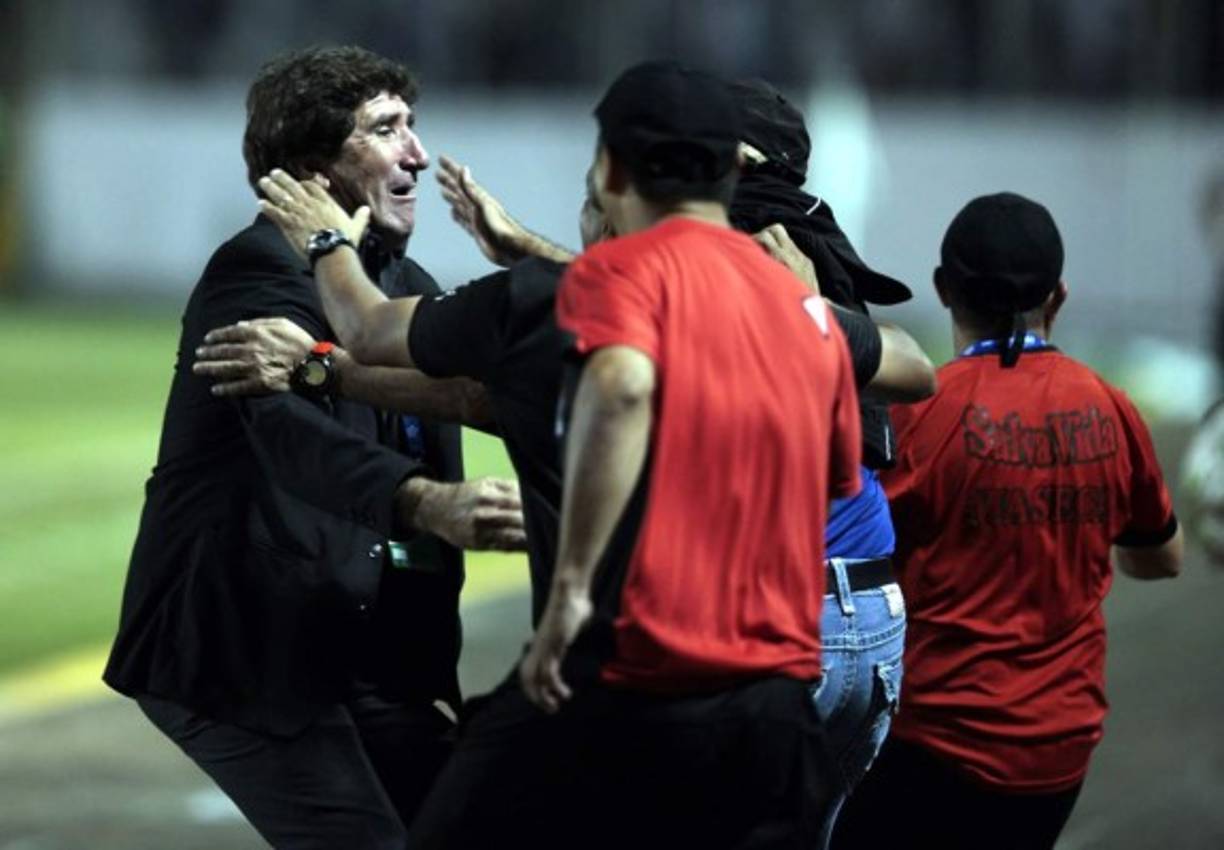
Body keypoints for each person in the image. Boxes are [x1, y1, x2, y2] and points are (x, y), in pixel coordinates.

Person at [252, 60, 863, 848]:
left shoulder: (573, 295)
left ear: (611, 168)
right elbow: (871, 417)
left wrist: (327, 242)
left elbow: (373, 329)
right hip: (776, 711)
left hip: (624, 683)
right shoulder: (805, 311)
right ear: (729, 169)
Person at [102, 45, 525, 850]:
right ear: (310, 168)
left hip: (353, 653)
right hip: (244, 656)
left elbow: (499, 390)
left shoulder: (400, 284)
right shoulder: (257, 274)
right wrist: (426, 502)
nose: (417, 152)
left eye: (413, 125)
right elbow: (293, 437)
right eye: (386, 129)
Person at [831, 192, 1184, 850]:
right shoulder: (1112, 407)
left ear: (943, 291)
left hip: (935, 746)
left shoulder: (919, 417)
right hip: (1060, 753)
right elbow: (1160, 555)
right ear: (1060, 295)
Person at [727, 77, 935, 843]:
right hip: (872, 613)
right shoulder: (820, 257)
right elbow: (914, 369)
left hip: (782, 619)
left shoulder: (722, 261)